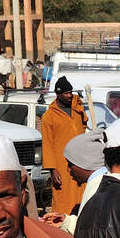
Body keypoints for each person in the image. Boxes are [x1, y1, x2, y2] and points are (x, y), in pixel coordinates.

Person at [41, 76, 88, 213]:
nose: (69, 96)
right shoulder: (49, 116)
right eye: (66, 93)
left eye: (70, 92)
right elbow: (47, 144)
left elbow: (83, 128)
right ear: (58, 94)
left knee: (82, 193)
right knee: (63, 197)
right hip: (62, 164)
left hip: (80, 162)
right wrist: (52, 169)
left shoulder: (77, 109)